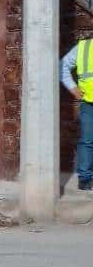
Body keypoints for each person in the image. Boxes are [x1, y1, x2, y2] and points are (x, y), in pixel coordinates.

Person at [60, 39, 93, 190]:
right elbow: (62, 66)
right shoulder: (84, 48)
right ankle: (85, 179)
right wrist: (72, 87)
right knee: (87, 141)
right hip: (89, 103)